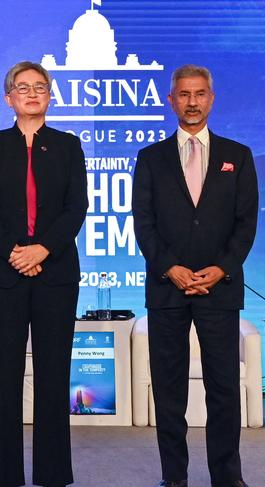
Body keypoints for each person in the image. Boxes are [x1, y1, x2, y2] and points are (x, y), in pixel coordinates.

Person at [132, 64, 258, 487]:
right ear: (171, 101)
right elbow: (143, 223)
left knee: (223, 390)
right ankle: (175, 479)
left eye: (199, 93)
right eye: (183, 94)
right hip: (167, 288)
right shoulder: (150, 158)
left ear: (211, 98)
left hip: (219, 288)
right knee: (170, 393)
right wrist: (171, 267)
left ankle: (228, 477)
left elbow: (246, 224)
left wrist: (221, 267)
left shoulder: (237, 156)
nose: (191, 102)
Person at [0, 61, 88, 487]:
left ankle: (53, 474)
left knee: (54, 375)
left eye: (40, 87)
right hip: (4, 275)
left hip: (56, 274)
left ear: (50, 96)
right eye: (23, 88)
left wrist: (43, 249)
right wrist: (14, 252)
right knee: (4, 375)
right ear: (9, 98)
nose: (32, 93)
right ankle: (3, 475)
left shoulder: (68, 146)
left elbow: (77, 208)